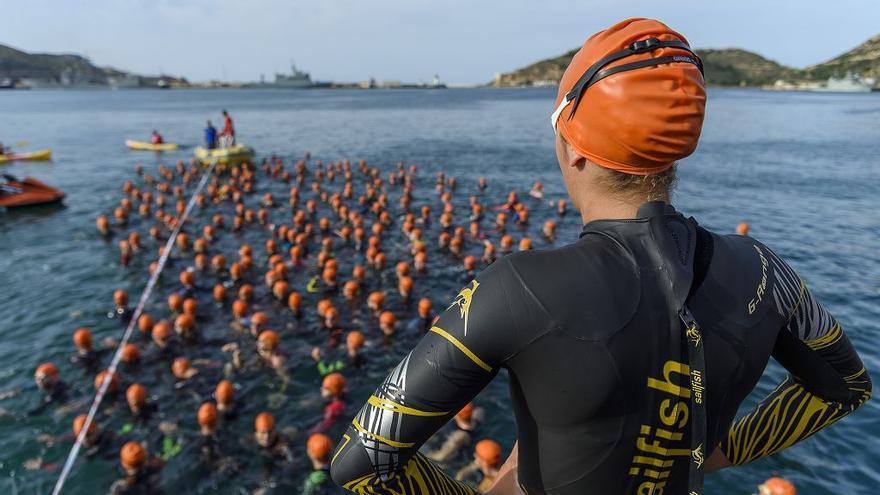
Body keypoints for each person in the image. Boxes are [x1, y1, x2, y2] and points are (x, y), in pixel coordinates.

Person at [330, 18, 872, 495]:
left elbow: (361, 463)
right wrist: (710, 450)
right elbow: (846, 387)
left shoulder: (517, 286)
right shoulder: (764, 270)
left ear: (573, 146)